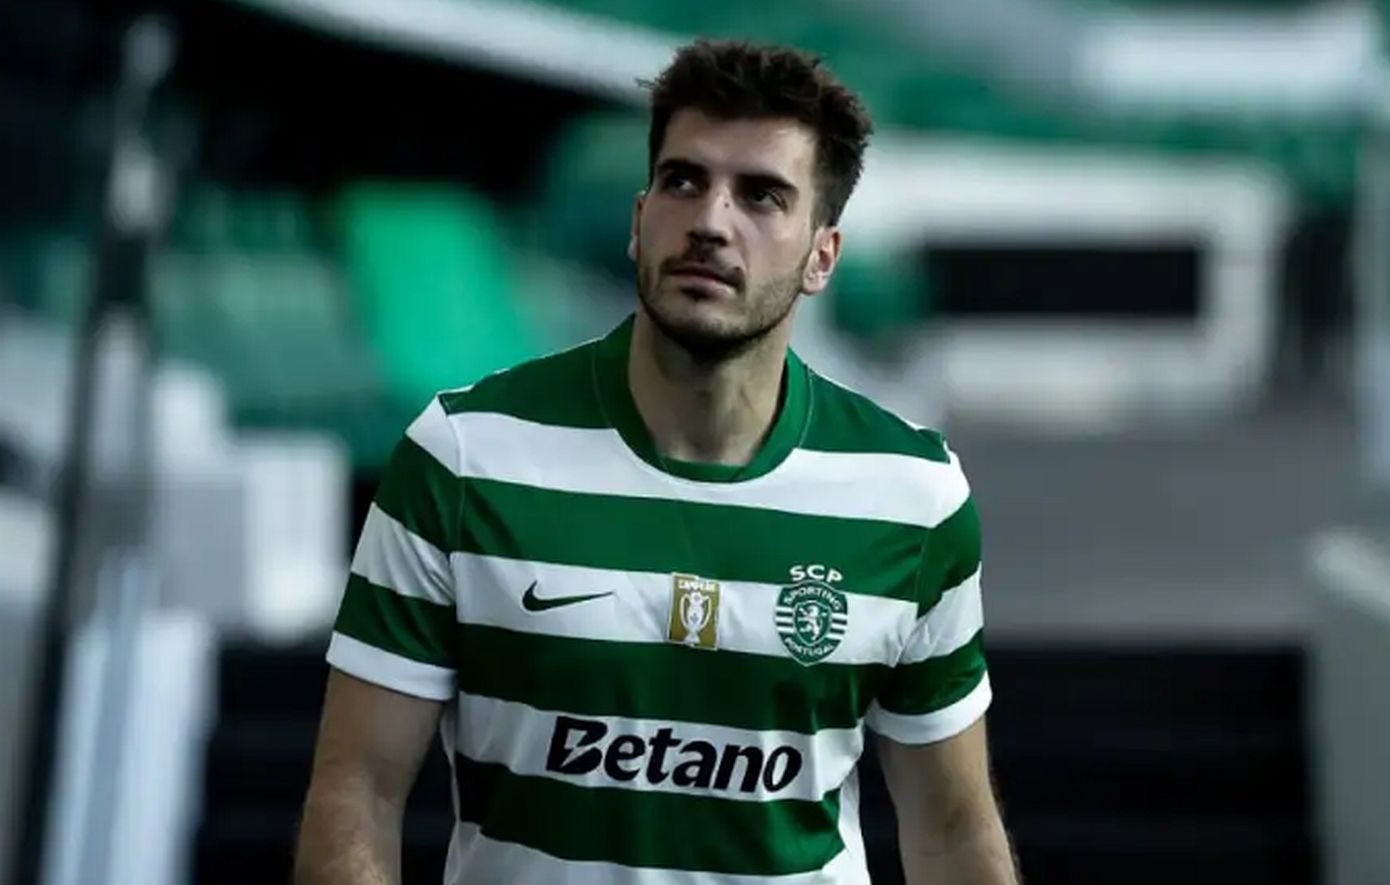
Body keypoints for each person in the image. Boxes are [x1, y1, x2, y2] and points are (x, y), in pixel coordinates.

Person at [293, 38, 1019, 885]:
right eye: (683, 181)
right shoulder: (462, 456)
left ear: (822, 255)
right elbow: (357, 792)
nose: (711, 220)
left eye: (762, 195)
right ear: (640, 222)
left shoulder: (913, 495)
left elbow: (951, 828)